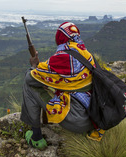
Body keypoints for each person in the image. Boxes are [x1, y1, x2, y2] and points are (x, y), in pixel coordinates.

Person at [20, 21, 104, 150]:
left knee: (29, 86)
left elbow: (30, 79)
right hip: (96, 118)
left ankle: (36, 137)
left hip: (77, 120)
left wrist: (33, 66)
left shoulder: (62, 59)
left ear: (59, 38)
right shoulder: (88, 56)